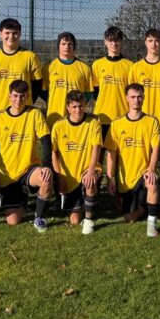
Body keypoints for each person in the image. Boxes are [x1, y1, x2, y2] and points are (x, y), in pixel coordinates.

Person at [0, 17, 43, 205]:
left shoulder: (29, 57)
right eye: (7, 33)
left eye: (15, 33)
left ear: (20, 34)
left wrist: (24, 104)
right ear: (0, 34)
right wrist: (1, 102)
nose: (11, 37)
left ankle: (23, 193)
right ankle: (0, 198)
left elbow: (37, 85)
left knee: (24, 157)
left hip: (23, 117)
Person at [0, 80, 54, 232]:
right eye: (15, 96)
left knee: (46, 178)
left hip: (29, 169)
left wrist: (46, 166)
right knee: (13, 221)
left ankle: (38, 217)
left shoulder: (35, 114)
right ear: (9, 96)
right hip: (8, 175)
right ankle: (22, 197)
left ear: (27, 96)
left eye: (22, 96)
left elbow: (46, 141)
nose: (19, 100)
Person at [104, 83, 160, 237]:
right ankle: (144, 208)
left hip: (143, 173)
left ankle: (151, 223)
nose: (136, 100)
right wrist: (110, 178)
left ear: (143, 98)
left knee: (152, 182)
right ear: (126, 98)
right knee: (129, 218)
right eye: (133, 97)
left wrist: (151, 169)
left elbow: (156, 149)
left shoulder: (152, 121)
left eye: (139, 97)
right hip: (126, 180)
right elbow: (111, 154)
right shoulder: (117, 123)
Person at [51, 89, 103, 234]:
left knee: (90, 181)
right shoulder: (58, 126)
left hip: (89, 168)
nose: (78, 110)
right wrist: (59, 177)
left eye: (81, 106)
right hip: (70, 177)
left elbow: (96, 147)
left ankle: (88, 220)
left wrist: (91, 171)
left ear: (85, 105)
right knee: (74, 220)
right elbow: (54, 154)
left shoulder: (93, 121)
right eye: (74, 106)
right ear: (68, 107)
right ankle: (87, 204)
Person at [43, 32, 94, 128]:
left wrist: (77, 107)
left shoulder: (84, 68)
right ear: (58, 46)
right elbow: (43, 91)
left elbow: (88, 94)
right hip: (55, 117)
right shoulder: (49, 67)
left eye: (70, 44)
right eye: (63, 44)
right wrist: (55, 101)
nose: (67, 46)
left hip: (76, 119)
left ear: (74, 46)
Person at [91, 26, 134, 140]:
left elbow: (132, 92)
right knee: (99, 149)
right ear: (105, 42)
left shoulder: (130, 65)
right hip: (102, 115)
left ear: (122, 42)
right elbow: (95, 90)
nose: (114, 44)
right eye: (110, 40)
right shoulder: (97, 65)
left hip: (123, 115)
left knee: (121, 150)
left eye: (117, 40)